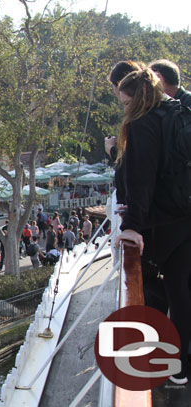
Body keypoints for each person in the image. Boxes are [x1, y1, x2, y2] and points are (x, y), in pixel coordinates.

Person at [113, 66, 191, 385]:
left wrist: (132, 225)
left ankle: (167, 363)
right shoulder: (181, 112)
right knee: (183, 292)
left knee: (164, 291)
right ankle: (182, 366)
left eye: (124, 101)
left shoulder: (144, 124)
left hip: (164, 222)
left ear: (135, 98)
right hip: (187, 213)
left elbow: (141, 180)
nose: (124, 108)